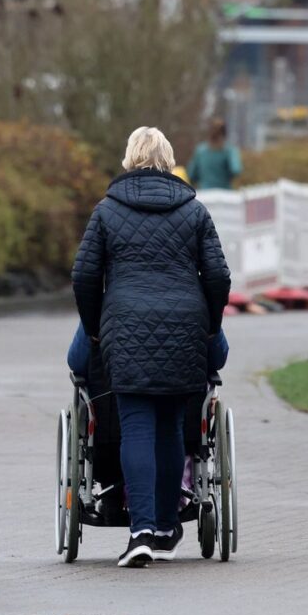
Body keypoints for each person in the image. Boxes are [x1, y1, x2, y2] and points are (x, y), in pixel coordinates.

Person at [72, 126, 231, 568]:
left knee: (137, 425)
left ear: (129, 158)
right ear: (169, 158)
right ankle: (164, 528)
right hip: (185, 325)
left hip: (124, 327)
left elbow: (84, 276)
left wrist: (94, 328)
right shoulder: (194, 211)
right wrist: (209, 323)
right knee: (170, 428)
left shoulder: (107, 210)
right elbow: (218, 276)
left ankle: (140, 530)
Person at [186, 118, 242, 190]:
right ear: (224, 133)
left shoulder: (200, 151)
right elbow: (236, 169)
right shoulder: (229, 150)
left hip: (205, 194)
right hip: (225, 194)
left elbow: (191, 174)